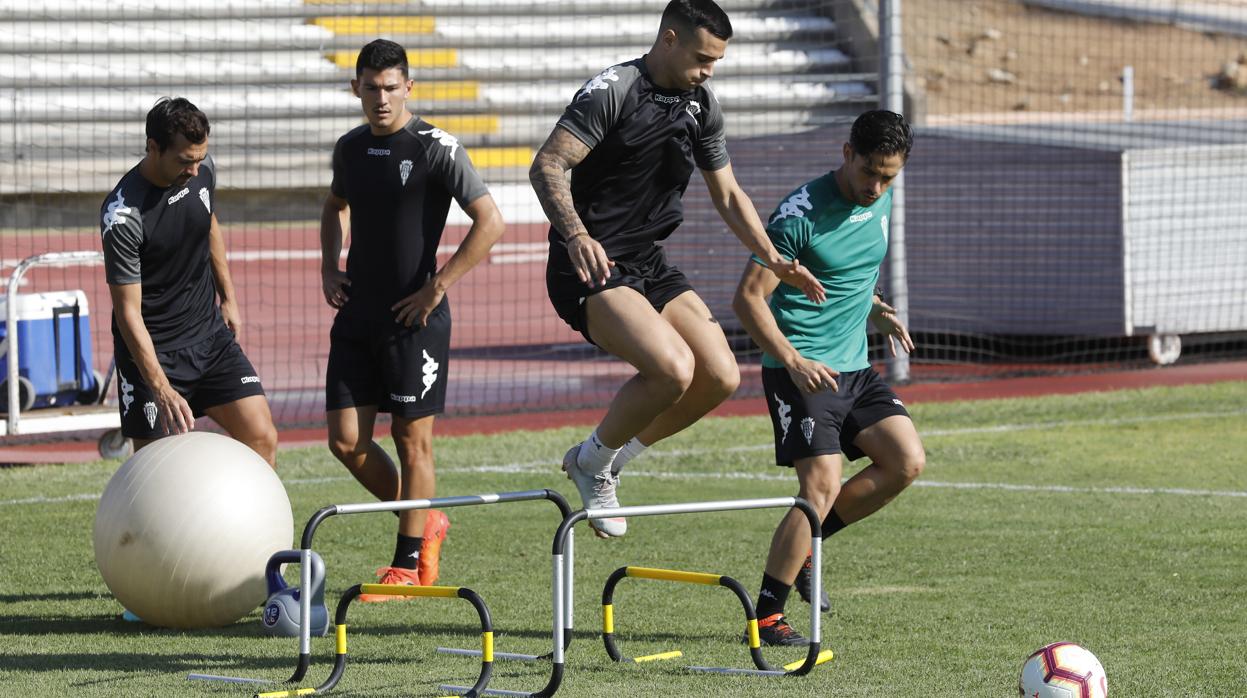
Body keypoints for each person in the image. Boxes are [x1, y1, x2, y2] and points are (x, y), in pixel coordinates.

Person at [530, 0, 824, 538]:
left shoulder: (701, 105)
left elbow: (729, 195)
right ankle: (594, 464)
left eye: (717, 61)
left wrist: (775, 260)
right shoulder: (614, 91)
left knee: (721, 375)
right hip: (590, 265)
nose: (709, 70)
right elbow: (548, 163)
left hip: (648, 261)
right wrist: (576, 235)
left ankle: (608, 459)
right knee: (673, 369)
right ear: (669, 39)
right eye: (702, 57)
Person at [731, 110, 925, 645]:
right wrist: (794, 361)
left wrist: (876, 308)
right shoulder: (799, 215)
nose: (876, 186)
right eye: (869, 172)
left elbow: (854, 272)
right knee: (820, 487)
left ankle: (808, 547)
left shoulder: (881, 198)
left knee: (905, 461)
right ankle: (767, 618)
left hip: (855, 367)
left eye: (888, 176)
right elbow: (747, 300)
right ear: (847, 153)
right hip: (802, 371)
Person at [320, 39, 504, 599]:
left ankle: (404, 566)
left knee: (410, 439)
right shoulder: (350, 148)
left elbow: (490, 221)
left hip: (414, 320)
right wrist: (329, 266)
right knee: (345, 442)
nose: (381, 98)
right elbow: (335, 206)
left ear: (409, 88)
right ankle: (427, 519)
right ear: (356, 88)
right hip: (357, 316)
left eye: (390, 87)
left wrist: (437, 286)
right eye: (371, 88)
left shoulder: (436, 147)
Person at [101, 97, 277, 466]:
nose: (195, 170)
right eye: (185, 161)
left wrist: (229, 297)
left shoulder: (202, 169)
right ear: (153, 147)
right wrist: (160, 387)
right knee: (154, 472)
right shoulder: (123, 216)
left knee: (262, 437)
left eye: (200, 158)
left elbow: (208, 223)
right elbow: (128, 313)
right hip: (153, 354)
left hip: (209, 337)